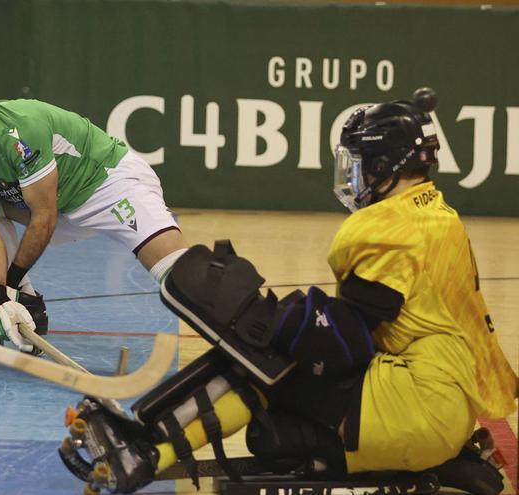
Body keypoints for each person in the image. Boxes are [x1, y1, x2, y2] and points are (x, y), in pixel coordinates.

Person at [58, 88, 518, 493]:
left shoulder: (389, 226)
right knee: (272, 370)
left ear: (383, 166)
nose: (352, 177)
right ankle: (146, 438)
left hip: (415, 407)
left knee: (261, 357)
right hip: (443, 404)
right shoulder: (436, 213)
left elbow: (349, 343)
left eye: (358, 165)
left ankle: (146, 451)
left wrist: (275, 319)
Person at [0, 64, 189, 351]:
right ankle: (28, 304)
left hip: (107, 185)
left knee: (182, 279)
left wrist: (7, 287)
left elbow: (44, 217)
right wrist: (0, 299)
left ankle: (234, 337)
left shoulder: (21, 127)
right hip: (55, 209)